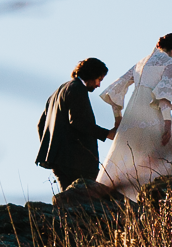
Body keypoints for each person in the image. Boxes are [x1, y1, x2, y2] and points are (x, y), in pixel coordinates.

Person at [98, 33, 172, 196]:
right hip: (152, 109)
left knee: (127, 154)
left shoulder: (141, 62)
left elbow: (117, 88)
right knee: (164, 153)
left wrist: (118, 118)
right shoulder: (171, 63)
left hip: (133, 110)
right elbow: (164, 90)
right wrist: (167, 121)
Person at [35, 58, 116, 191]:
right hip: (79, 161)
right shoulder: (77, 89)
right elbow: (78, 121)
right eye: (99, 79)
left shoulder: (57, 92)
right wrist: (107, 134)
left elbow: (41, 125)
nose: (99, 85)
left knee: (67, 203)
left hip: (59, 162)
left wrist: (53, 149)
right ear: (92, 74)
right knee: (87, 205)